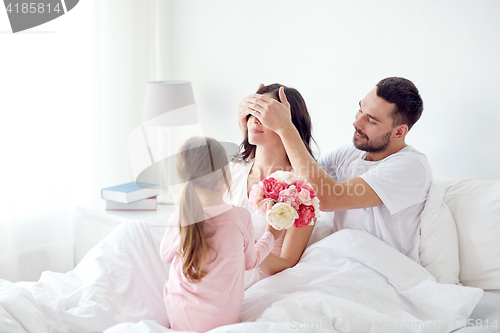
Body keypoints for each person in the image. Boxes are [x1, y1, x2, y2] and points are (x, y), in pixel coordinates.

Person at [241, 77, 432, 262]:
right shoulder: (349, 154)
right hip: (339, 258)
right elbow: (300, 178)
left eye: (372, 120)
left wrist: (285, 127)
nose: (356, 122)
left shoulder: (411, 167)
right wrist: (251, 124)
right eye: (360, 110)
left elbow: (325, 198)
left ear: (399, 132)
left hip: (381, 267)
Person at [159, 137, 281, 332]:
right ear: (226, 175)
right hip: (225, 319)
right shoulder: (240, 217)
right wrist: (271, 234)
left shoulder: (178, 218)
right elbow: (251, 262)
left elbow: (165, 255)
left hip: (181, 318)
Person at [225, 83, 317, 283]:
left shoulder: (301, 190)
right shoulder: (232, 170)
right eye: (253, 111)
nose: (255, 119)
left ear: (289, 124)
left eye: (266, 113)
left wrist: (246, 249)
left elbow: (287, 262)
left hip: (256, 279)